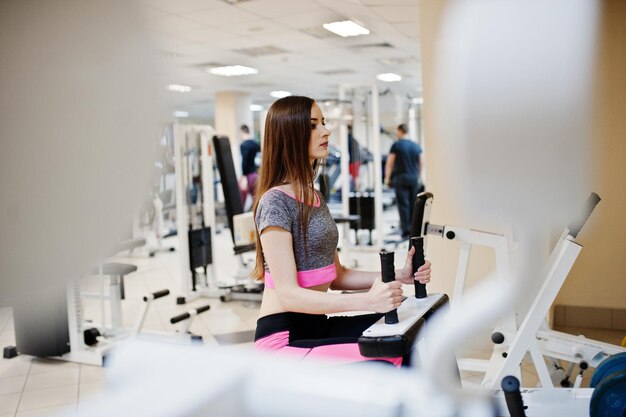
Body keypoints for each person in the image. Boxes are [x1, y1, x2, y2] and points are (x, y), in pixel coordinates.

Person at [252, 96, 432, 366]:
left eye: (323, 123)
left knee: (414, 331)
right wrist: (368, 301)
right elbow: (288, 295)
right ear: (290, 135)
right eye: (313, 125)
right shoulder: (275, 203)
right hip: (284, 338)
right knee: (390, 355)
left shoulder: (314, 196)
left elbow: (338, 275)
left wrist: (400, 275)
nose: (326, 131)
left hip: (317, 326)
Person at [384, 124, 423, 239]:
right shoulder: (416, 146)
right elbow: (421, 162)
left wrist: (387, 178)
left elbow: (390, 163)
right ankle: (413, 231)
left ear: (400, 131)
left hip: (400, 178)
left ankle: (406, 231)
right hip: (413, 178)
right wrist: (419, 176)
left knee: (403, 205)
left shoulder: (396, 145)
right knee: (413, 204)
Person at [239, 124, 261, 209]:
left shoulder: (243, 145)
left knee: (242, 200)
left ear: (242, 132)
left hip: (249, 176)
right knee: (255, 199)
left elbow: (245, 162)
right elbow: (259, 159)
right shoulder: (255, 144)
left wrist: (243, 176)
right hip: (256, 175)